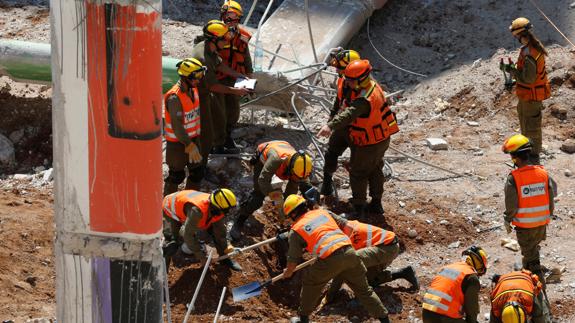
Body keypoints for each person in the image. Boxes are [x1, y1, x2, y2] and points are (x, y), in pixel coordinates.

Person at [282, 194, 391, 323]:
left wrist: (287, 273)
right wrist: (340, 244)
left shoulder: (296, 230)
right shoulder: (323, 212)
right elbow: (349, 227)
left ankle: (303, 317)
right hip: (350, 252)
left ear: (293, 214)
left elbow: (292, 262)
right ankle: (385, 319)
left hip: (329, 259)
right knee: (364, 290)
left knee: (311, 284)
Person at [318, 59, 399, 216]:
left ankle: (359, 208)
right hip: (361, 134)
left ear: (361, 79)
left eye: (350, 80)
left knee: (359, 173)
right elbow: (340, 105)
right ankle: (372, 203)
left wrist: (330, 126)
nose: (346, 82)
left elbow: (350, 113)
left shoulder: (366, 98)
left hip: (370, 141)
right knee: (336, 151)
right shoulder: (361, 85)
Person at [190, 20, 251, 162]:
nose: (227, 42)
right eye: (224, 39)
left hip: (206, 91)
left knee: (220, 117)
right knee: (208, 126)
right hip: (200, 95)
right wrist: (236, 91)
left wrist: (239, 75)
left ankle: (217, 145)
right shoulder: (203, 57)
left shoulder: (209, 48)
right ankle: (204, 159)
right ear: (215, 39)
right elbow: (213, 86)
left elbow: (219, 64)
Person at [323, 214, 419, 303]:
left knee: (348, 264)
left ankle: (331, 296)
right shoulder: (347, 226)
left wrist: (330, 295)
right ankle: (404, 273)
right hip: (383, 247)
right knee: (369, 281)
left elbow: (343, 266)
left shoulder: (349, 236)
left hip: (388, 248)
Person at [230, 140, 313, 240]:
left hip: (283, 148)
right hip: (263, 157)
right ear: (291, 168)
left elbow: (293, 188)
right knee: (258, 196)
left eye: (299, 178)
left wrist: (286, 208)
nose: (296, 179)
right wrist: (275, 197)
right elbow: (263, 180)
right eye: (295, 176)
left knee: (291, 196)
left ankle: (285, 219)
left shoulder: (300, 167)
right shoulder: (276, 160)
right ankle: (240, 219)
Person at [502, 134, 556, 287]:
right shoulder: (543, 173)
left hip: (525, 227)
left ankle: (537, 290)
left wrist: (507, 219)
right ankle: (529, 274)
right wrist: (546, 216)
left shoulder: (514, 178)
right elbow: (550, 200)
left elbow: (512, 205)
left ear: (515, 158)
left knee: (530, 257)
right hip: (541, 224)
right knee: (532, 250)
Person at [503, 17, 551, 164]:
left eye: (517, 36)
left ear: (521, 35)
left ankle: (533, 157)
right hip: (527, 96)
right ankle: (527, 153)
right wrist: (514, 73)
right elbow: (527, 75)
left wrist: (513, 71)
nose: (516, 38)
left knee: (531, 127)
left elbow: (529, 79)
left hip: (531, 97)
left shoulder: (531, 53)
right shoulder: (529, 49)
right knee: (526, 123)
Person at [162, 188, 243, 271]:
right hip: (170, 208)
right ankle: (161, 271)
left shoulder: (219, 208)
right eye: (226, 210)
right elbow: (188, 235)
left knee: (216, 232)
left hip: (185, 205)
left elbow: (220, 233)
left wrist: (227, 248)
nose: (228, 212)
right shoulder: (197, 211)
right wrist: (202, 257)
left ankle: (224, 259)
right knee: (172, 243)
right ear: (216, 207)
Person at [320, 49, 361, 196]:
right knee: (331, 153)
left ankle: (359, 200)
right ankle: (326, 184)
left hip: (359, 130)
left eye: (339, 67)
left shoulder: (364, 88)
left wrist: (331, 125)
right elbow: (338, 100)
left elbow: (352, 113)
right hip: (342, 126)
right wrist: (331, 118)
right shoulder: (343, 80)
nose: (336, 70)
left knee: (358, 165)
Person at [163, 58, 206, 196]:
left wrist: (194, 143)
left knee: (197, 173)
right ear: (186, 77)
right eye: (196, 77)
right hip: (178, 144)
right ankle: (167, 205)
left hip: (193, 140)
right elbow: (177, 126)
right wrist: (189, 144)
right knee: (176, 176)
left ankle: (189, 201)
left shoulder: (193, 90)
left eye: (200, 75)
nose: (199, 80)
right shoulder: (174, 98)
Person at [217, 0, 254, 153]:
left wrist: (249, 77)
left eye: (235, 17)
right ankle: (216, 142)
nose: (231, 20)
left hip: (235, 78)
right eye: (229, 16)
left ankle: (227, 136)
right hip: (218, 78)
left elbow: (245, 56)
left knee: (233, 111)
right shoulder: (215, 33)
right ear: (223, 15)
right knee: (219, 111)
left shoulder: (242, 36)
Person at [422, 246, 488, 323]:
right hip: (443, 318)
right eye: (481, 270)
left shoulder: (446, 268)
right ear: (479, 264)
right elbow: (472, 309)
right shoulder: (471, 276)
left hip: (426, 315)